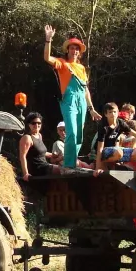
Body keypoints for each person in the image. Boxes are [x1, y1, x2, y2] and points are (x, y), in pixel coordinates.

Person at [43, 25, 100, 168]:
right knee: (72, 133)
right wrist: (48, 40)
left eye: (77, 49)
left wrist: (91, 108)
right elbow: (47, 58)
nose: (74, 51)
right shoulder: (63, 64)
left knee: (79, 136)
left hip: (82, 101)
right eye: (72, 48)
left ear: (79, 52)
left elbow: (85, 89)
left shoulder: (81, 68)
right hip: (69, 100)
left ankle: (72, 163)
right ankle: (68, 166)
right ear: (68, 50)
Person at [95, 103, 136, 171]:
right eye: (110, 112)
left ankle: (117, 164)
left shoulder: (120, 123)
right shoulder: (103, 127)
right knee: (118, 152)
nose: (113, 114)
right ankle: (106, 164)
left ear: (118, 112)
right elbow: (99, 149)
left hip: (116, 152)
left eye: (114, 112)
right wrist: (98, 167)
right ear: (106, 114)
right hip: (104, 151)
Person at [19, 113, 63, 180]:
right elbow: (22, 156)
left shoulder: (39, 135)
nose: (37, 125)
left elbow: (41, 153)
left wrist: (54, 155)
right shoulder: (27, 138)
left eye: (39, 123)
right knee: (63, 170)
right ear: (29, 124)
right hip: (37, 168)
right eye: (33, 123)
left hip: (45, 166)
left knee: (65, 169)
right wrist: (26, 174)